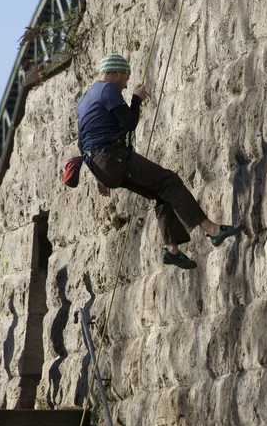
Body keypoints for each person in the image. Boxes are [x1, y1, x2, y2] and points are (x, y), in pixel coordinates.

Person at [76, 54, 244, 269]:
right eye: (126, 77)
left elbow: (82, 144)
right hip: (114, 157)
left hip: (101, 164)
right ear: (116, 72)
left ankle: (172, 250)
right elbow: (129, 123)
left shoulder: (85, 101)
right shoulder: (108, 90)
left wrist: (99, 175)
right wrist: (137, 99)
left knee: (160, 192)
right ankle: (212, 230)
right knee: (169, 181)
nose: (126, 84)